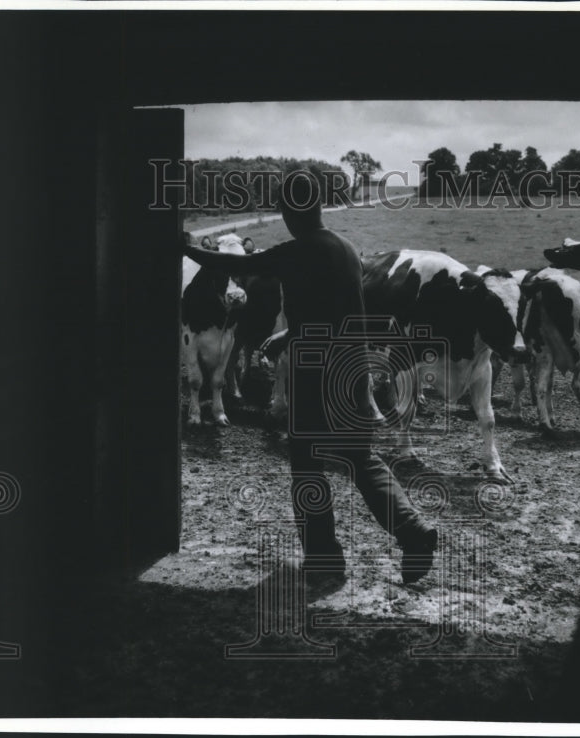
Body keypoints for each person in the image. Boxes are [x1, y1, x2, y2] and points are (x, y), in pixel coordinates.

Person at [181, 171, 438, 586]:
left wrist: (189, 251)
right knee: (360, 458)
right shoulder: (347, 248)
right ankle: (414, 531)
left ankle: (324, 561)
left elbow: (238, 264)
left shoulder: (296, 250)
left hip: (316, 370)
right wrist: (289, 331)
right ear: (318, 206)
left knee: (306, 466)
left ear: (287, 211)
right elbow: (335, 310)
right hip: (352, 366)